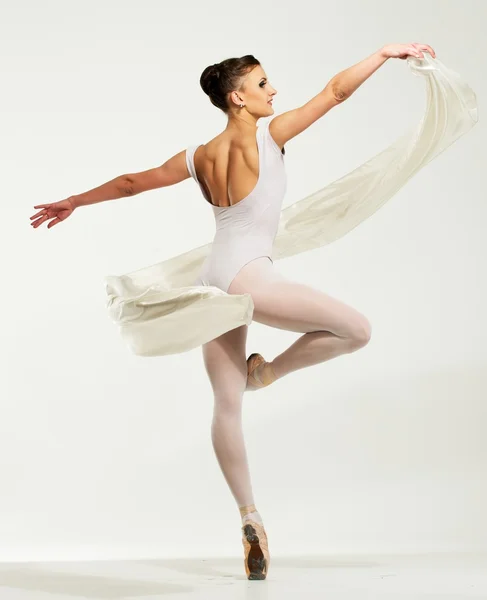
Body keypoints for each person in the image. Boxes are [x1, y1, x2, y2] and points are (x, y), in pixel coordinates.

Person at [30, 41, 436, 581]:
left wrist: (75, 201)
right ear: (237, 97)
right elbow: (336, 92)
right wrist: (385, 54)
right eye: (263, 84)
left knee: (226, 405)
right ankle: (266, 372)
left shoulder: (198, 156)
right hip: (249, 276)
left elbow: (133, 183)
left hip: (211, 279)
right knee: (357, 330)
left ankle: (250, 516)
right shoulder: (270, 135)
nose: (273, 91)